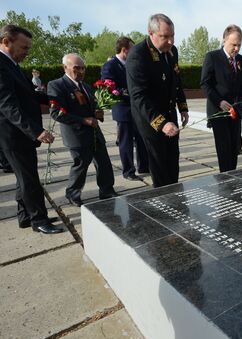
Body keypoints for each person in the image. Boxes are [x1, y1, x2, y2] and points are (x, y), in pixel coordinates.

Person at [0, 25, 63, 234]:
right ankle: (39, 220)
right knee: (29, 179)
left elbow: (28, 94)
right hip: (13, 134)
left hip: (20, 134)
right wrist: (36, 131)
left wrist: (56, 99)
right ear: (6, 42)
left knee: (23, 177)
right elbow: (8, 105)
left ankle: (25, 216)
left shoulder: (11, 65)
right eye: (24, 47)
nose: (27, 52)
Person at [126, 14, 189, 188]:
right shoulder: (138, 55)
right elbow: (138, 96)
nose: (170, 41)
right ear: (151, 33)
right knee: (159, 165)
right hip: (151, 120)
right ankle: (164, 202)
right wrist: (162, 124)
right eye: (165, 37)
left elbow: (176, 81)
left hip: (170, 114)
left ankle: (175, 193)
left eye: (172, 36)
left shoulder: (172, 51)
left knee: (172, 159)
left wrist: (182, 107)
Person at [48, 53, 117, 207]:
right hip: (76, 134)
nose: (80, 71)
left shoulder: (85, 86)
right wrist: (84, 120)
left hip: (94, 133)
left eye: (83, 68)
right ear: (65, 67)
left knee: (104, 163)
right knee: (81, 165)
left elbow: (91, 107)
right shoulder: (57, 85)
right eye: (76, 68)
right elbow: (56, 113)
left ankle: (107, 190)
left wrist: (97, 112)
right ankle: (73, 194)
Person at [200, 24, 242, 172]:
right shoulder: (212, 57)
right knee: (224, 150)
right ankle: (225, 180)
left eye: (239, 45)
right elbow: (205, 84)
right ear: (224, 40)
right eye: (233, 44)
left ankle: (233, 178)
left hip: (236, 111)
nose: (236, 48)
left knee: (234, 148)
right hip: (219, 111)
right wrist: (219, 101)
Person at [101, 36, 149, 182]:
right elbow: (109, 87)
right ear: (124, 50)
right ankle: (128, 171)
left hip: (137, 109)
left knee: (142, 139)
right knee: (126, 142)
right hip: (123, 110)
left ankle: (144, 166)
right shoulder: (110, 66)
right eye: (132, 49)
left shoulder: (132, 64)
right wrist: (129, 92)